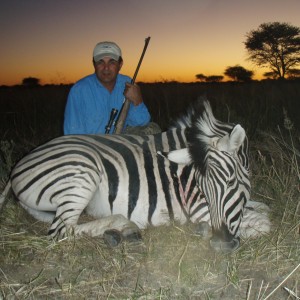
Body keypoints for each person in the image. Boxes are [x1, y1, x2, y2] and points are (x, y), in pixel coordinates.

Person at [63, 41, 155, 135]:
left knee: (153, 129)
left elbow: (141, 122)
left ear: (120, 64)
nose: (106, 68)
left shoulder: (128, 84)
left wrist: (137, 101)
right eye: (100, 62)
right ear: (94, 64)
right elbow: (72, 133)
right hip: (90, 146)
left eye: (112, 62)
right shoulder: (79, 90)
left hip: (119, 142)